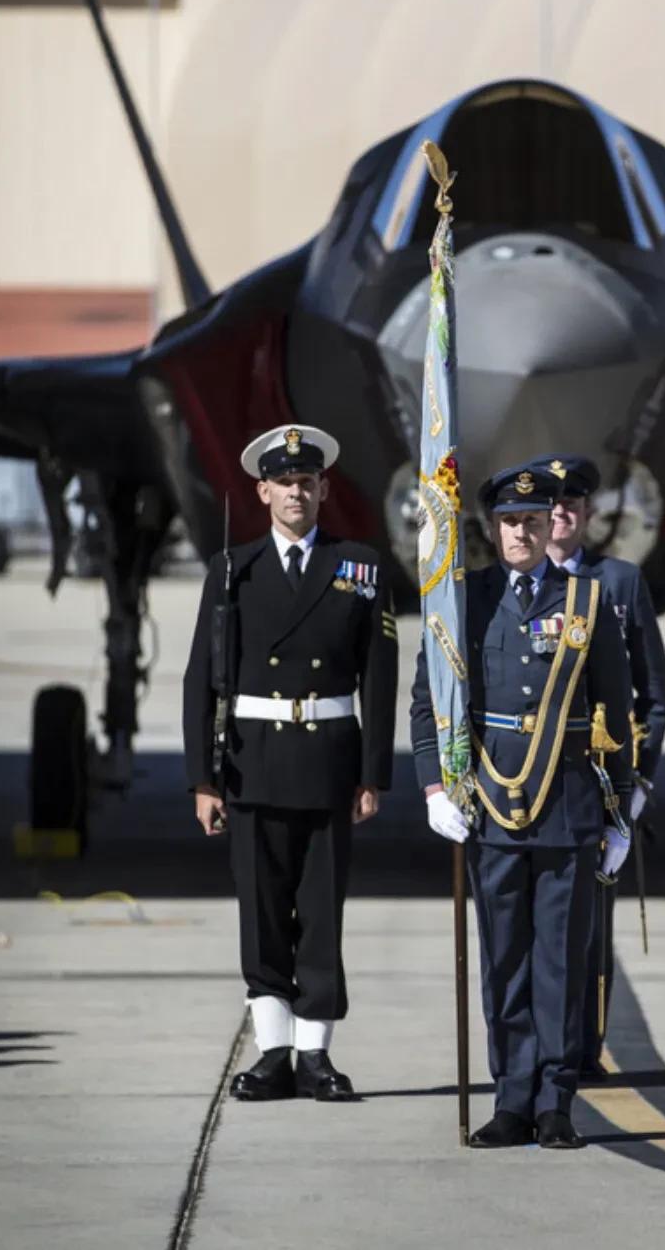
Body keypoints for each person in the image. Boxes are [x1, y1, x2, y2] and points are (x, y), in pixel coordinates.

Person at [410, 462, 633, 1149]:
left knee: (560, 963)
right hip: (492, 803)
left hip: (567, 806)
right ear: (491, 527)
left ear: (549, 525)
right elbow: (430, 701)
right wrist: (433, 787)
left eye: (533, 521)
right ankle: (510, 1099)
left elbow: (614, 710)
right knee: (504, 960)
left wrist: (619, 810)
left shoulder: (586, 601)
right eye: (510, 522)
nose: (522, 533)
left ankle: (555, 1101)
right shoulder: (463, 600)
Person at [183, 424, 398, 1102]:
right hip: (254, 764)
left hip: (328, 763)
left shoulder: (357, 567)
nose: (295, 493)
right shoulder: (232, 571)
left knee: (322, 915)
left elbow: (379, 676)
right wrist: (202, 779)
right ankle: (272, 1052)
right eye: (283, 482)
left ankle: (315, 1055)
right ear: (263, 492)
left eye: (306, 482)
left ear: (323, 489)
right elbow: (200, 681)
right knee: (264, 914)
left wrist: (373, 774)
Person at [535, 454, 665, 1078]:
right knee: (526, 928)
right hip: (524, 779)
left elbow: (652, 692)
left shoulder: (618, 582)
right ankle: (534, 1049)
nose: (561, 512)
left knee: (588, 929)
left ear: (589, 512)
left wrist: (638, 782)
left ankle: (584, 1049)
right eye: (550, 503)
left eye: (572, 502)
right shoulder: (507, 584)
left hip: (597, 785)